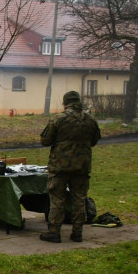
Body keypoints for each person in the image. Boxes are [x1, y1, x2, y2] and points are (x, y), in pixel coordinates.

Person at [40, 90, 100, 243]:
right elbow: (94, 140)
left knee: (57, 199)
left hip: (60, 167)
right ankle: (77, 233)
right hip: (82, 166)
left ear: (65, 103)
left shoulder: (59, 119)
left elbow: (45, 140)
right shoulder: (90, 120)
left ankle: (54, 232)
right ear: (78, 102)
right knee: (79, 199)